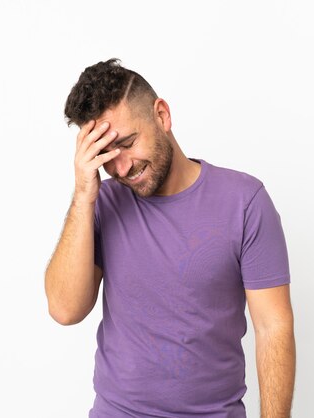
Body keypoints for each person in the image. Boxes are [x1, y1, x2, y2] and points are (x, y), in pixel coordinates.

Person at [44, 58, 296, 418]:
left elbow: (273, 327)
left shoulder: (244, 202)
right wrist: (84, 193)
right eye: (106, 157)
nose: (122, 168)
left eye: (127, 143)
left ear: (161, 115)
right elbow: (65, 310)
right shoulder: (103, 204)